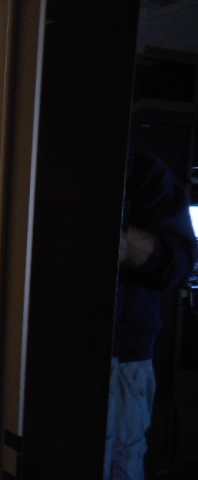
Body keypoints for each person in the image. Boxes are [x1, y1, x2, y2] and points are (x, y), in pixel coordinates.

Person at [104, 151, 196, 479]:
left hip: (122, 359)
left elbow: (179, 264)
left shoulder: (139, 169)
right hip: (43, 350)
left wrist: (124, 242)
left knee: (119, 466)